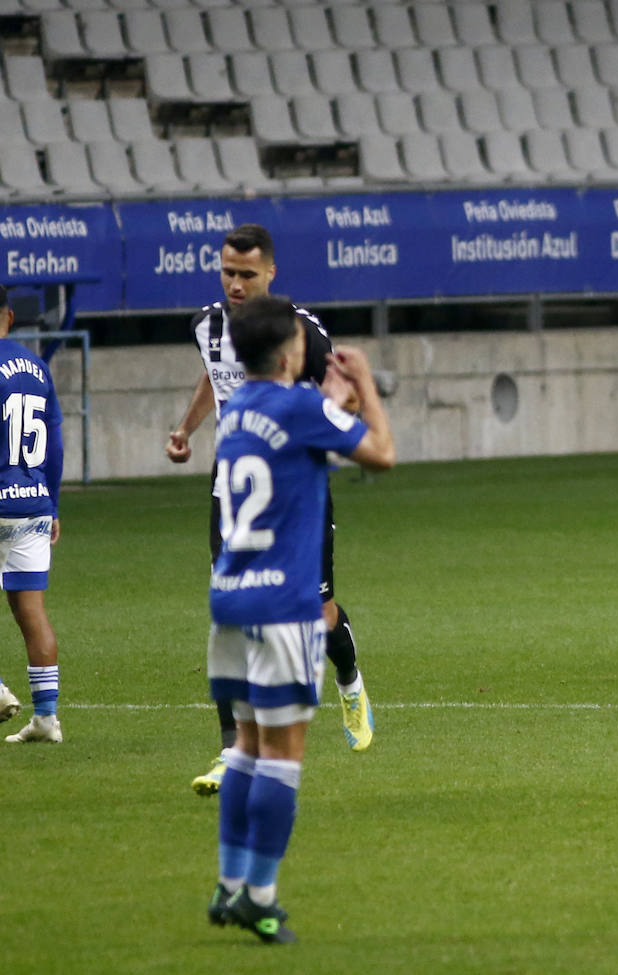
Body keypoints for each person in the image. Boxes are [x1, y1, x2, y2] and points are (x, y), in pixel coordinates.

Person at [205, 294, 395, 943]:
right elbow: (382, 453)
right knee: (283, 756)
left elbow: (295, 444)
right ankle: (259, 897)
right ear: (290, 351)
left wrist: (331, 405)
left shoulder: (236, 411)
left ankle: (228, 882)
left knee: (245, 746)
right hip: (284, 605)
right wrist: (365, 386)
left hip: (230, 599)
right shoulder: (301, 407)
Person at [166, 224, 375, 796]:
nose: (235, 284)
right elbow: (215, 376)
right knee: (231, 610)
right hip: (234, 490)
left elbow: (343, 390)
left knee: (318, 608)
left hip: (298, 490)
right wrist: (186, 429)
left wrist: (331, 418)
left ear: (271, 273)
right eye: (227, 272)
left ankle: (349, 681)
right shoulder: (207, 325)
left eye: (247, 274)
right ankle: (231, 751)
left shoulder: (300, 330)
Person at [0, 286, 66, 744]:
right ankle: (46, 720)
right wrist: (53, 503)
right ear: (8, 317)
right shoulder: (36, 366)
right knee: (32, 612)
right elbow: (55, 445)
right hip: (33, 501)